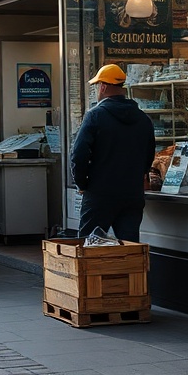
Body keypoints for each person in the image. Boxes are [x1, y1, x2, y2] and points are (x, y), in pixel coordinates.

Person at [70, 64, 156, 243]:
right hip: (132, 194)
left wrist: (82, 183)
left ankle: (94, 272)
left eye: (96, 86)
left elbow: (78, 154)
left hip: (100, 193)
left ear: (103, 86)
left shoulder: (95, 116)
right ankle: (129, 272)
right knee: (130, 246)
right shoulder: (143, 119)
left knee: (88, 245)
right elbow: (149, 155)